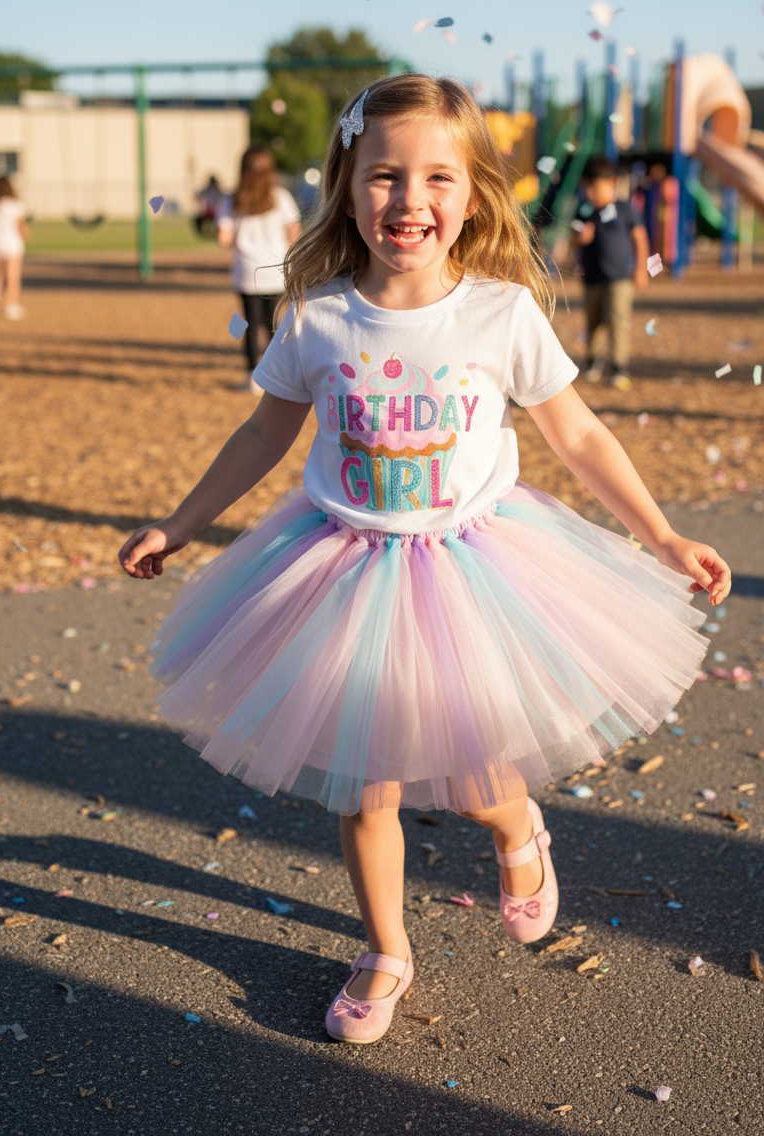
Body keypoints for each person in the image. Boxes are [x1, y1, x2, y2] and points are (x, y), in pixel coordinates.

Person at [119, 75, 729, 1046]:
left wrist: (661, 534)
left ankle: (517, 827)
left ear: (476, 194)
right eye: (385, 176)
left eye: (438, 176)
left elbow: (578, 437)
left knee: (476, 774)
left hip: (472, 567)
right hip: (340, 570)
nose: (410, 199)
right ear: (348, 187)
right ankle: (384, 949)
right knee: (367, 783)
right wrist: (181, 523)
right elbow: (260, 436)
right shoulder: (319, 319)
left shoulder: (500, 313)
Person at [217, 146, 301, 389]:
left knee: (250, 323)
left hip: (246, 270)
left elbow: (224, 238)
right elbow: (293, 232)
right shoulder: (281, 196)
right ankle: (277, 375)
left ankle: (252, 376)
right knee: (275, 324)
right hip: (275, 270)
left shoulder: (233, 199)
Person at [570, 155, 650, 391]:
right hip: (591, 278)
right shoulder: (584, 211)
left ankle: (618, 365)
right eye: (587, 187)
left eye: (595, 186)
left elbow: (640, 238)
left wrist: (641, 269)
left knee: (617, 319)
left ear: (612, 183)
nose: (590, 193)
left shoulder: (625, 208)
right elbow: (573, 238)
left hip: (619, 279)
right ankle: (593, 361)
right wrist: (580, 239)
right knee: (593, 322)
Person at [0, 176, 29, 319]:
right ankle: (11, 306)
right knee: (12, 277)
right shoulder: (15, 205)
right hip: (12, 245)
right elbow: (19, 225)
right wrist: (26, 233)